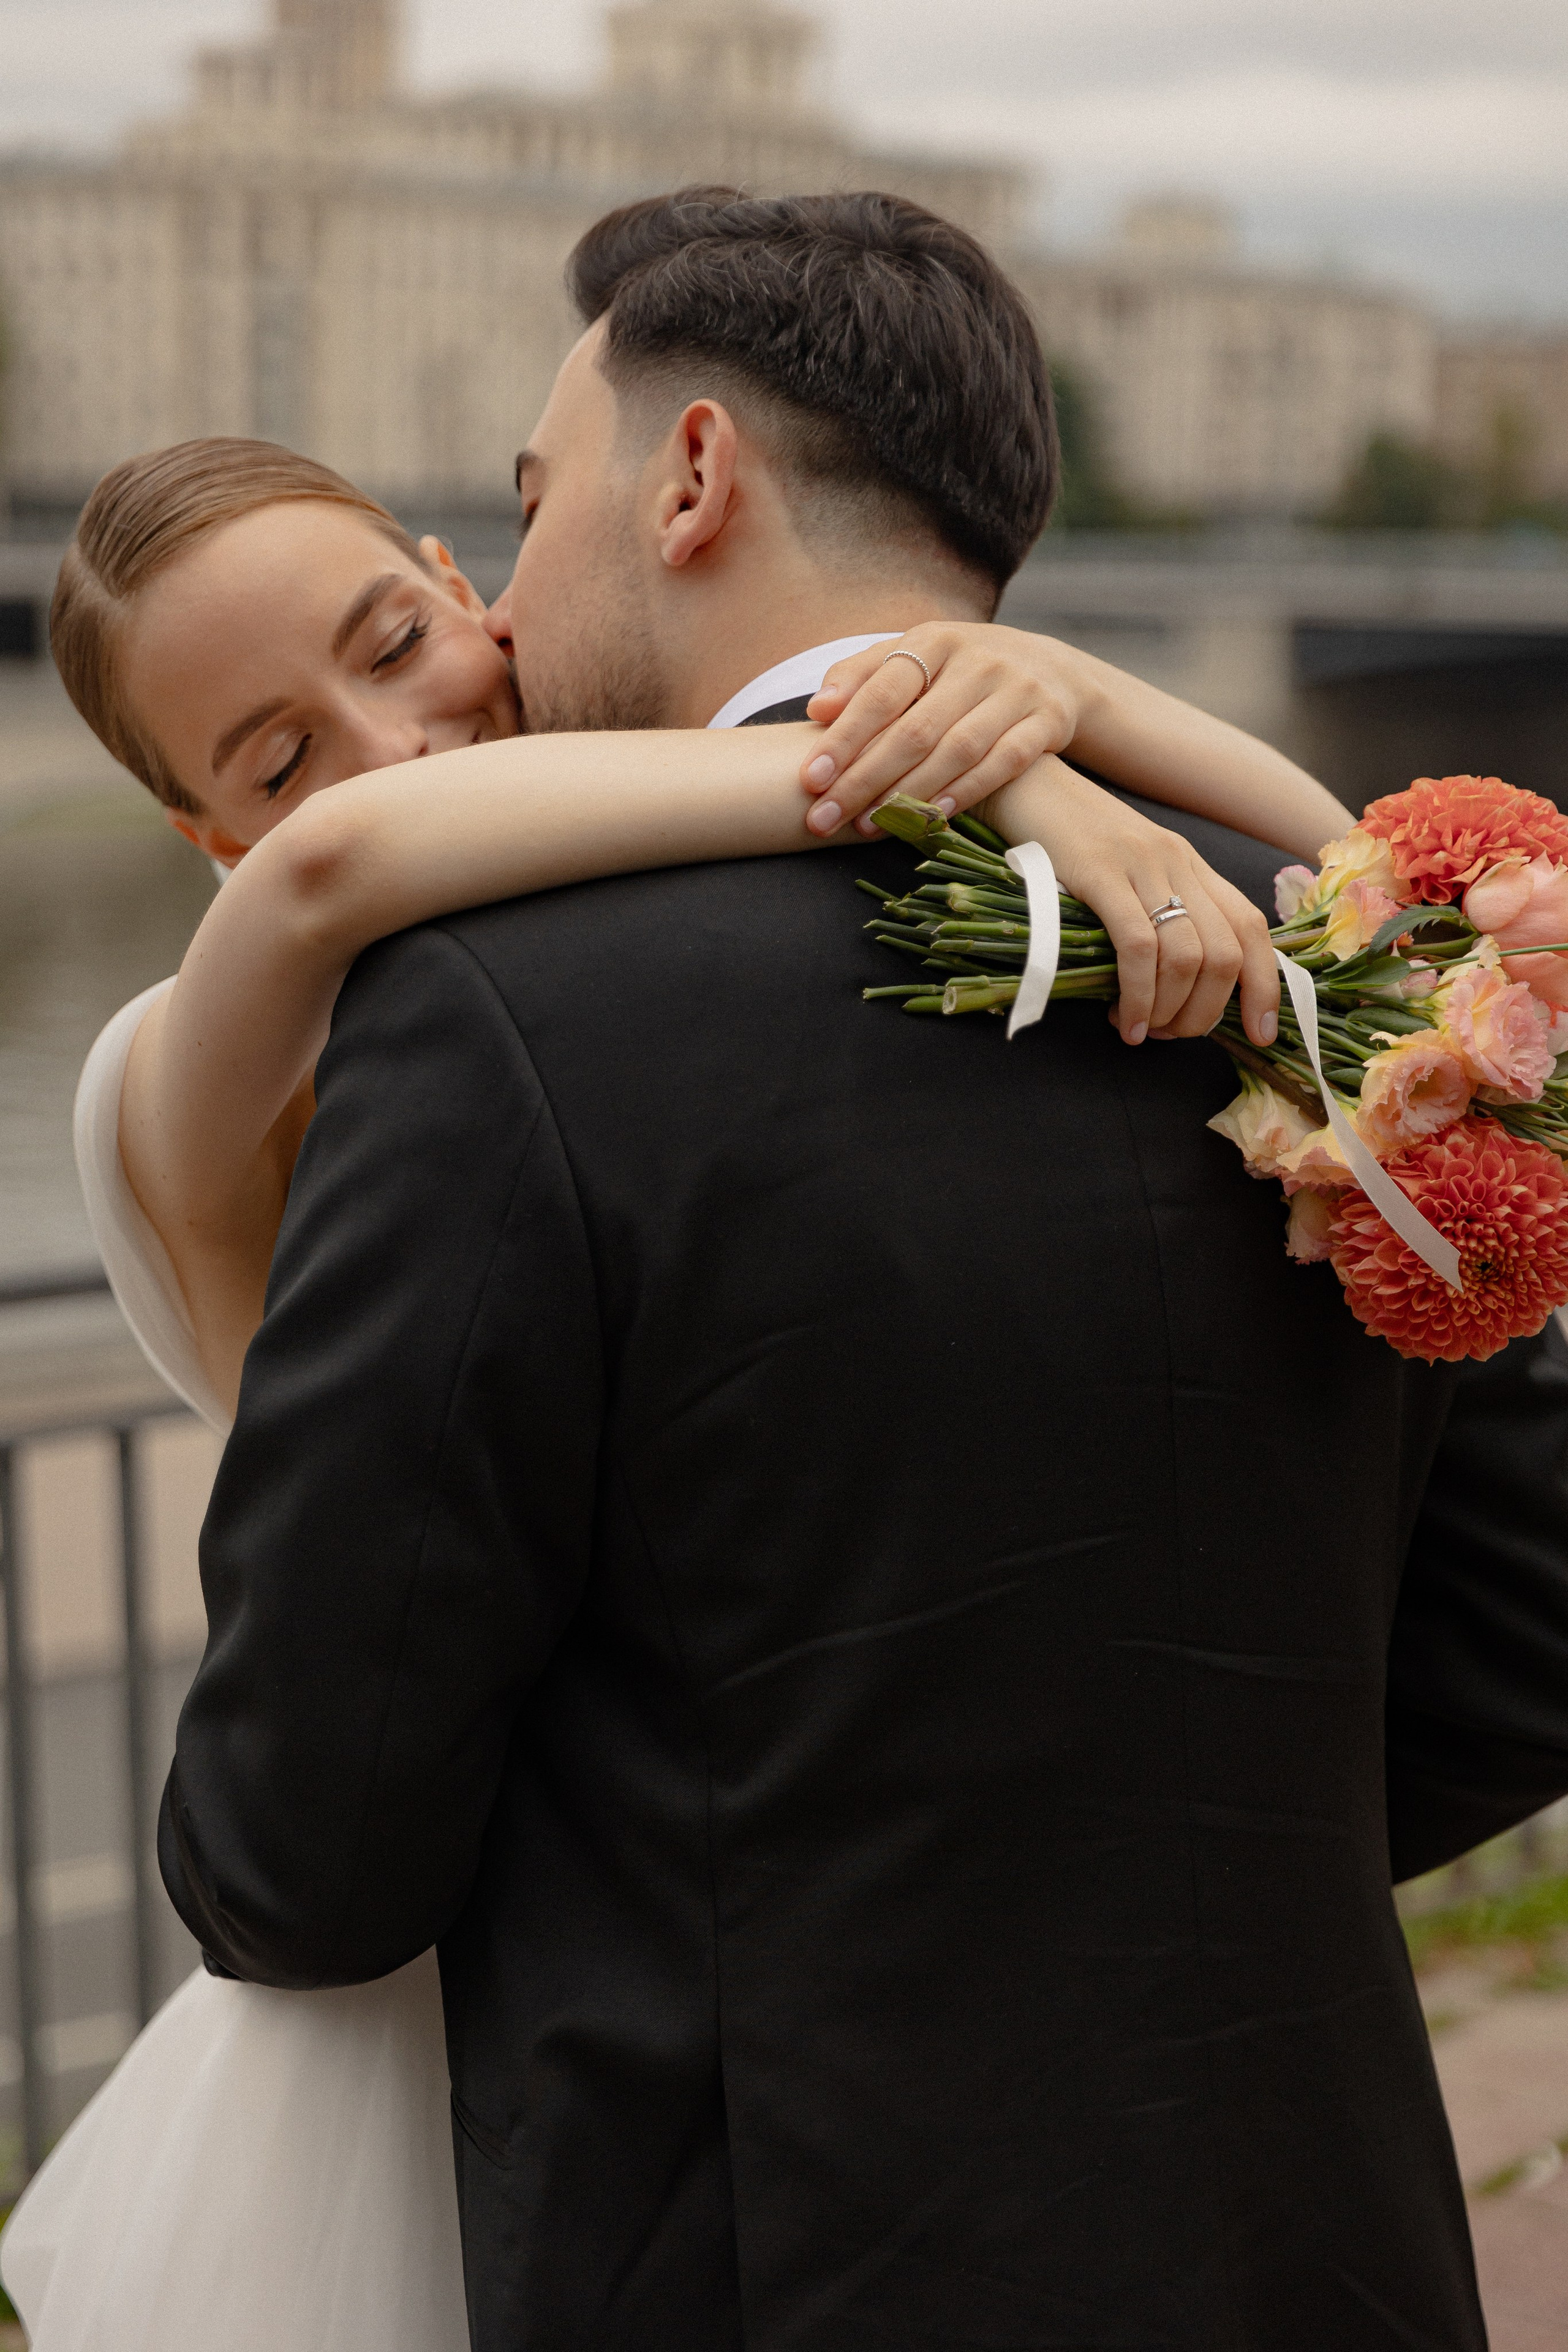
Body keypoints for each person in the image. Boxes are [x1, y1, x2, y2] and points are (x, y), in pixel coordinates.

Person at [121, 184, 1568, 2350]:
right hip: (1312, 2245)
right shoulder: (1350, 962)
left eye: (524, 508)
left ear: (688, 477)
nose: (499, 607)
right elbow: (1535, 1613)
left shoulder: (502, 1013)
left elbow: (300, 1859)